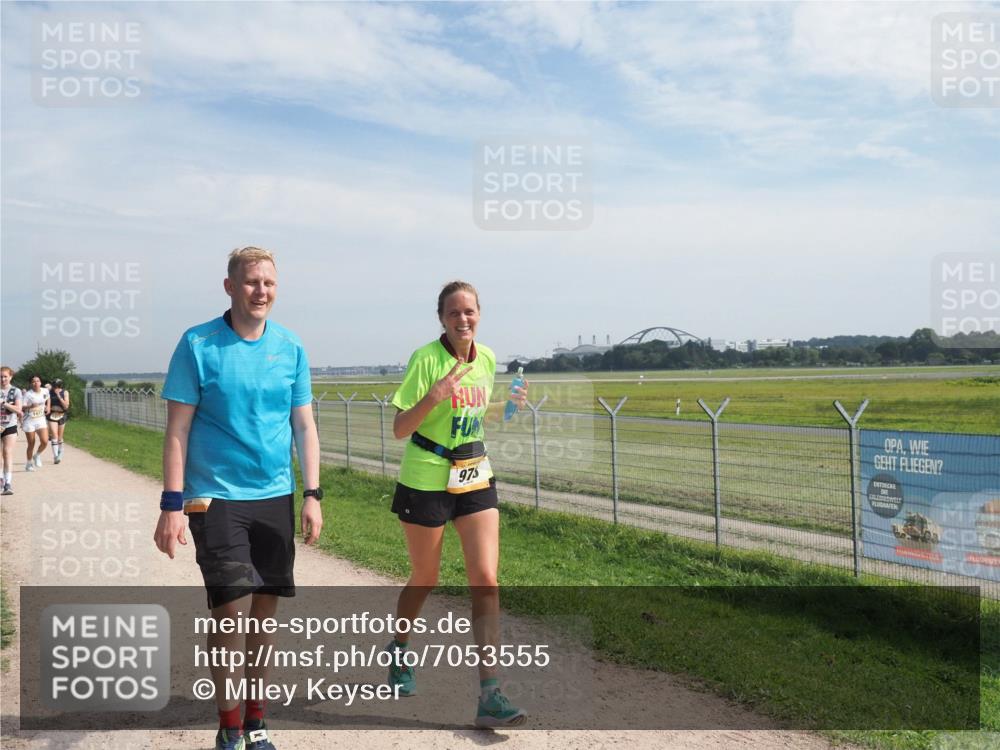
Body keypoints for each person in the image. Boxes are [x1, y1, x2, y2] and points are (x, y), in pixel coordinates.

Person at [153, 246, 323, 750]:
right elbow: (177, 430)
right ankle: (229, 728)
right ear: (229, 286)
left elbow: (304, 426)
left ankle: (256, 719)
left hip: (276, 495)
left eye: (269, 282)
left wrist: (312, 493)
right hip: (216, 498)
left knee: (264, 616)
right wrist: (170, 504)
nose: (261, 291)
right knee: (231, 611)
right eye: (251, 282)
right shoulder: (198, 343)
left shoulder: (291, 347)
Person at [387, 280, 528, 728]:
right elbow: (399, 428)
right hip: (425, 477)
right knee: (426, 577)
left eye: (470, 312)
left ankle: (491, 693)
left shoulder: (486, 358)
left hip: (473, 474)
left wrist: (508, 409)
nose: (462, 319)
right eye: (454, 313)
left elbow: (474, 416)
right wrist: (433, 396)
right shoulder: (426, 359)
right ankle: (399, 648)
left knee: (486, 578)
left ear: (479, 314)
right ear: (441, 318)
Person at [1, 366, 22, 495]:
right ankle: (1, 481)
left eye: (5, 376)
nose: (2, 379)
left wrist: (4, 403)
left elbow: (19, 410)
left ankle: (8, 484)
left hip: (10, 425)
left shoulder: (16, 391)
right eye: (0, 376)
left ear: (10, 377)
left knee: (7, 453)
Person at [21, 375, 49, 472]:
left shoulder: (45, 391)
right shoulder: (28, 394)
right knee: (31, 443)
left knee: (45, 441)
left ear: (40, 382)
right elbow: (22, 407)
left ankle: (37, 455)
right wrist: (30, 406)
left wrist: (48, 407)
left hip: (40, 419)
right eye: (33, 381)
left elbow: (47, 398)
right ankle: (28, 464)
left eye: (38, 381)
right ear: (31, 383)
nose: (36, 383)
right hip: (29, 421)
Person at [48, 378, 70, 464]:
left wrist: (58, 396)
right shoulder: (49, 392)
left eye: (56, 386)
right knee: (54, 435)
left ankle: (60, 452)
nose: (54, 388)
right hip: (52, 415)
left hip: (62, 415)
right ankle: (55, 456)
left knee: (60, 437)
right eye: (53, 386)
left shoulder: (65, 392)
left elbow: (66, 406)